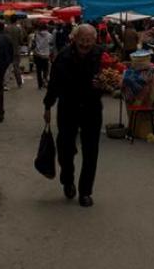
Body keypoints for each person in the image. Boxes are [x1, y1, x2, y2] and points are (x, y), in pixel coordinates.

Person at [43, 24, 103, 208]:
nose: (85, 44)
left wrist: (104, 83)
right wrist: (47, 106)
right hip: (68, 108)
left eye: (89, 40)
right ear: (75, 39)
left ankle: (85, 192)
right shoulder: (63, 56)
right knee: (65, 149)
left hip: (91, 108)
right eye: (82, 40)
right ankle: (67, 179)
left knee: (91, 152)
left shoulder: (100, 55)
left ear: (94, 40)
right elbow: (53, 83)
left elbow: (111, 78)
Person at [31, 22, 54, 90]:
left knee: (38, 70)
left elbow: (33, 44)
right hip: (46, 55)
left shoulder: (36, 35)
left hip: (38, 54)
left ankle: (40, 85)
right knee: (45, 70)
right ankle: (44, 80)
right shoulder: (50, 35)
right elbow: (51, 44)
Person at [5, 15, 26, 88]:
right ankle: (19, 82)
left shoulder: (6, 28)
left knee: (7, 67)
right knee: (16, 67)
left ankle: (5, 83)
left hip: (7, 50)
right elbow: (21, 40)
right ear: (16, 20)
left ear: (10, 20)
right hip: (16, 50)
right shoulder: (18, 29)